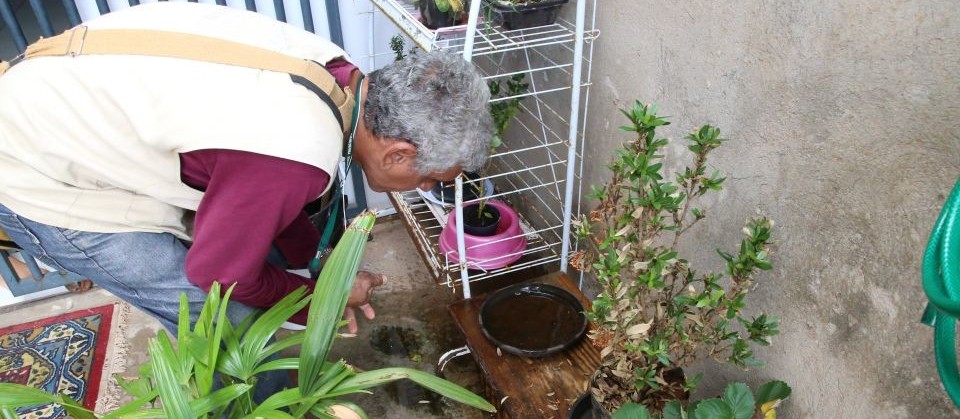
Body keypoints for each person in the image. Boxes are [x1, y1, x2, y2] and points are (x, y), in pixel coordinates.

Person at [0, 2, 492, 337]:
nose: (423, 188)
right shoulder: (292, 149)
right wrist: (319, 300)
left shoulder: (336, 74)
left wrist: (324, 270)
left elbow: (274, 192)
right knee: (228, 322)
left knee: (251, 265)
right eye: (431, 178)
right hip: (32, 164)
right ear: (399, 154)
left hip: (49, 86)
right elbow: (218, 274)